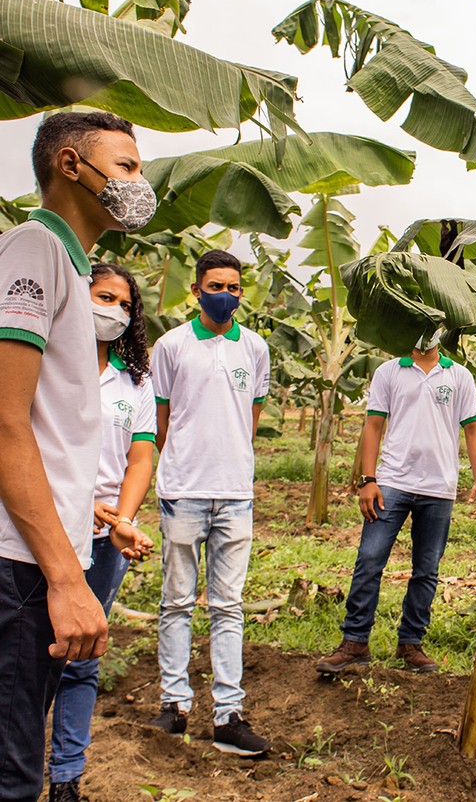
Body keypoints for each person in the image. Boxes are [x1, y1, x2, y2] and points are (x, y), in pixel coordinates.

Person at [0, 111, 156, 802]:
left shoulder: (67, 263)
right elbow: (6, 424)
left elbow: (50, 437)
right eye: (126, 166)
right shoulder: (33, 250)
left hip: (41, 557)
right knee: (11, 775)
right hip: (20, 563)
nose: (139, 182)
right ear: (70, 165)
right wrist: (67, 580)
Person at [149, 250, 272, 755]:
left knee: (228, 606)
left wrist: (228, 459)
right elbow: (161, 419)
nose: (226, 295)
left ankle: (227, 716)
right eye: (216, 286)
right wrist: (182, 462)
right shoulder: (170, 346)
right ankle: (174, 706)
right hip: (183, 490)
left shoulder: (256, 348)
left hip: (235, 492)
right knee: (176, 602)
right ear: (197, 290)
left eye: (234, 287)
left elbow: (251, 416)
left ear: (241, 292)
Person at [316, 331, 476, 674]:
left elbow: (472, 429)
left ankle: (411, 644)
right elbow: (373, 425)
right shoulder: (389, 371)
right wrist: (368, 480)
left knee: (427, 569)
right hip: (392, 482)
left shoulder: (459, 376)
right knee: (369, 559)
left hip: (439, 486)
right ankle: (355, 641)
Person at [48, 263, 156, 802]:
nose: (114, 310)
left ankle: (66, 776)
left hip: (104, 539)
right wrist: (76, 504)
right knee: (30, 656)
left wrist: (124, 519)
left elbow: (140, 456)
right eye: (104, 297)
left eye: (125, 304)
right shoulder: (46, 364)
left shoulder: (135, 382)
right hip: (43, 532)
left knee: (84, 656)